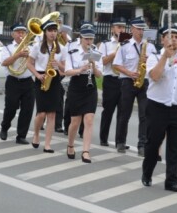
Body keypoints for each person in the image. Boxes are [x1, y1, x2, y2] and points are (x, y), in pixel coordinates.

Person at [141, 26, 177, 192]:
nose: (173, 40)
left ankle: (172, 181)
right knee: (153, 143)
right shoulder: (153, 57)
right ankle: (147, 173)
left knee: (175, 146)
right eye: (169, 36)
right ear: (162, 40)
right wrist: (165, 57)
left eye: (176, 37)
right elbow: (155, 76)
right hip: (157, 106)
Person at [112, 16, 157, 156]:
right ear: (132, 29)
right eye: (138, 29)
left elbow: (156, 64)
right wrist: (129, 73)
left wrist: (149, 60)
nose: (141, 31)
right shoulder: (125, 45)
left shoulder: (150, 46)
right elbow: (116, 64)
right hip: (128, 82)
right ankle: (120, 142)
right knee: (124, 113)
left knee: (145, 115)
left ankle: (142, 145)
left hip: (145, 82)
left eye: (143, 29)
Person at [64, 25, 103, 163]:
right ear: (81, 38)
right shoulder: (71, 50)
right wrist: (80, 69)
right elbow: (67, 71)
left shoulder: (96, 52)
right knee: (75, 122)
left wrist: (93, 65)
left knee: (89, 119)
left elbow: (99, 75)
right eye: (86, 38)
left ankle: (86, 151)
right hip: (76, 84)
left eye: (91, 39)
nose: (89, 41)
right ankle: (70, 145)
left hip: (90, 86)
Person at [27, 20, 66, 153]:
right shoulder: (37, 46)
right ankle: (36, 134)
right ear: (45, 32)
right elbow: (29, 64)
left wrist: (58, 65)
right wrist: (38, 75)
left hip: (54, 79)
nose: (53, 33)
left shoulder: (61, 47)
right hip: (41, 78)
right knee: (41, 113)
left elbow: (65, 68)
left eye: (55, 31)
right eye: (50, 31)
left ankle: (48, 144)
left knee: (52, 114)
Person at [0, 23, 35, 144]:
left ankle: (21, 135)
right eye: (18, 32)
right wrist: (18, 54)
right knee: (11, 107)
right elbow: (4, 62)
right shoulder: (7, 48)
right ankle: (5, 126)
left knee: (27, 109)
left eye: (23, 32)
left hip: (28, 81)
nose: (21, 34)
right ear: (13, 34)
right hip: (13, 80)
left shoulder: (32, 47)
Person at [97, 17, 126, 146]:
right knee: (108, 110)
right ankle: (103, 138)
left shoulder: (128, 43)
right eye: (118, 27)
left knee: (123, 112)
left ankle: (120, 141)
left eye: (123, 27)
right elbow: (101, 62)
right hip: (110, 80)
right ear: (112, 28)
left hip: (124, 79)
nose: (121, 29)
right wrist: (115, 53)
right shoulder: (105, 44)